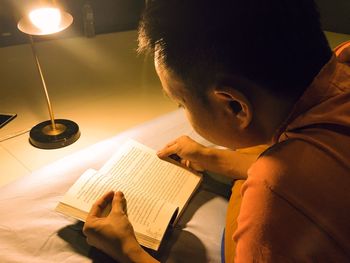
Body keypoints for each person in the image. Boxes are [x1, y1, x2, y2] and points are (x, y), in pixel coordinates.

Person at [82, 1, 350, 262]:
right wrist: (215, 158)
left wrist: (128, 250)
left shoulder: (275, 197)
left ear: (235, 106)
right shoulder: (343, 59)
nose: (182, 111)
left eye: (181, 102)